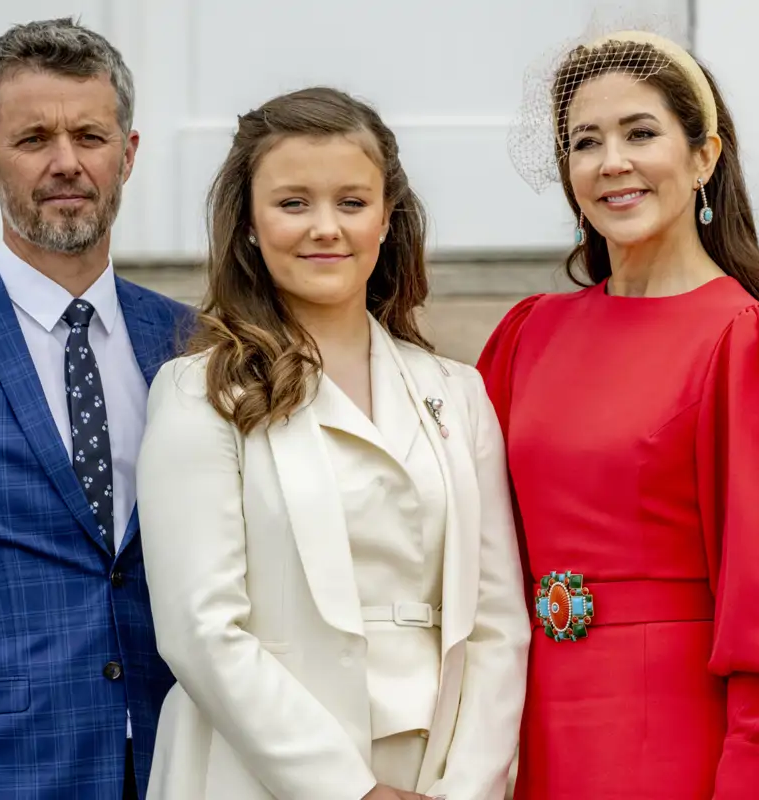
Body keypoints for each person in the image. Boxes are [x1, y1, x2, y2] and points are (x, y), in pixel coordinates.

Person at [136, 86, 530, 800]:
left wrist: (467, 787)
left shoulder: (458, 393)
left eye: (351, 202)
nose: (325, 227)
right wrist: (352, 792)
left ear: (388, 218)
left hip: (433, 768)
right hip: (257, 772)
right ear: (250, 224)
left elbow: (499, 625)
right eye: (293, 203)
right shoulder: (199, 393)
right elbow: (202, 630)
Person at [477, 29, 759, 800]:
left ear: (705, 157)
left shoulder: (742, 340)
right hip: (521, 718)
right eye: (585, 142)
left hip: (673, 729)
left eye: (641, 133)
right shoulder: (527, 334)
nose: (612, 163)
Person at [0, 18, 189, 799]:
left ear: (126, 153)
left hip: (181, 758)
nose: (67, 163)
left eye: (90, 135)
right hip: (1, 766)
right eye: (33, 140)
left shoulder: (197, 344)